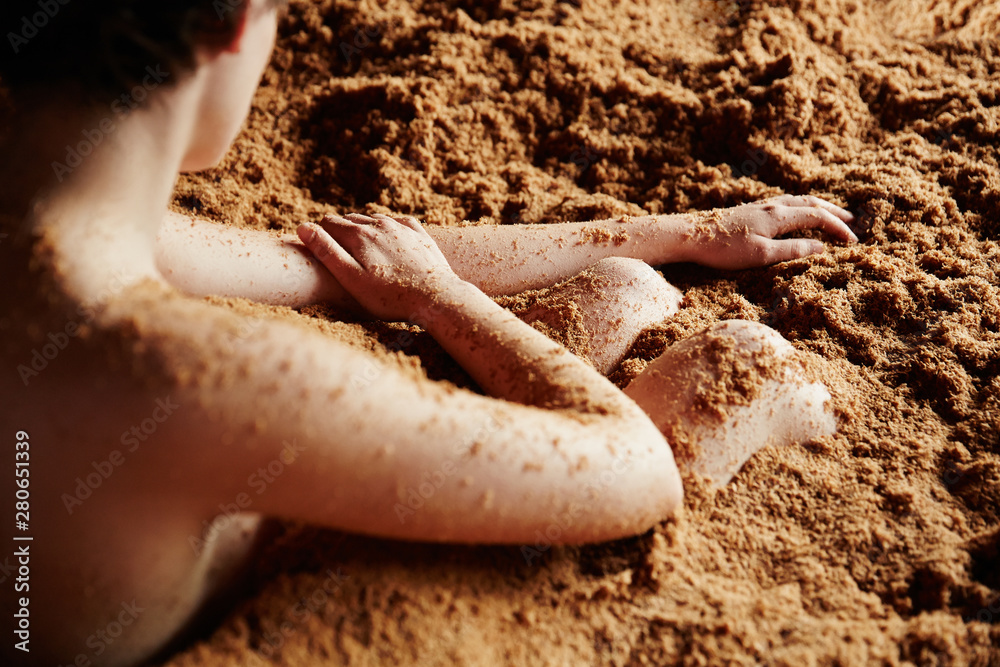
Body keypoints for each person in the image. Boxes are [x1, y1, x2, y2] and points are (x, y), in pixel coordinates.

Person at [0, 0, 856, 664]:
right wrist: (445, 303)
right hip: (276, 596)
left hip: (148, 558)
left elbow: (337, 262)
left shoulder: (65, 226)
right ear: (232, 28)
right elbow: (637, 471)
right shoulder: (195, 374)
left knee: (623, 287)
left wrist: (683, 233)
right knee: (751, 361)